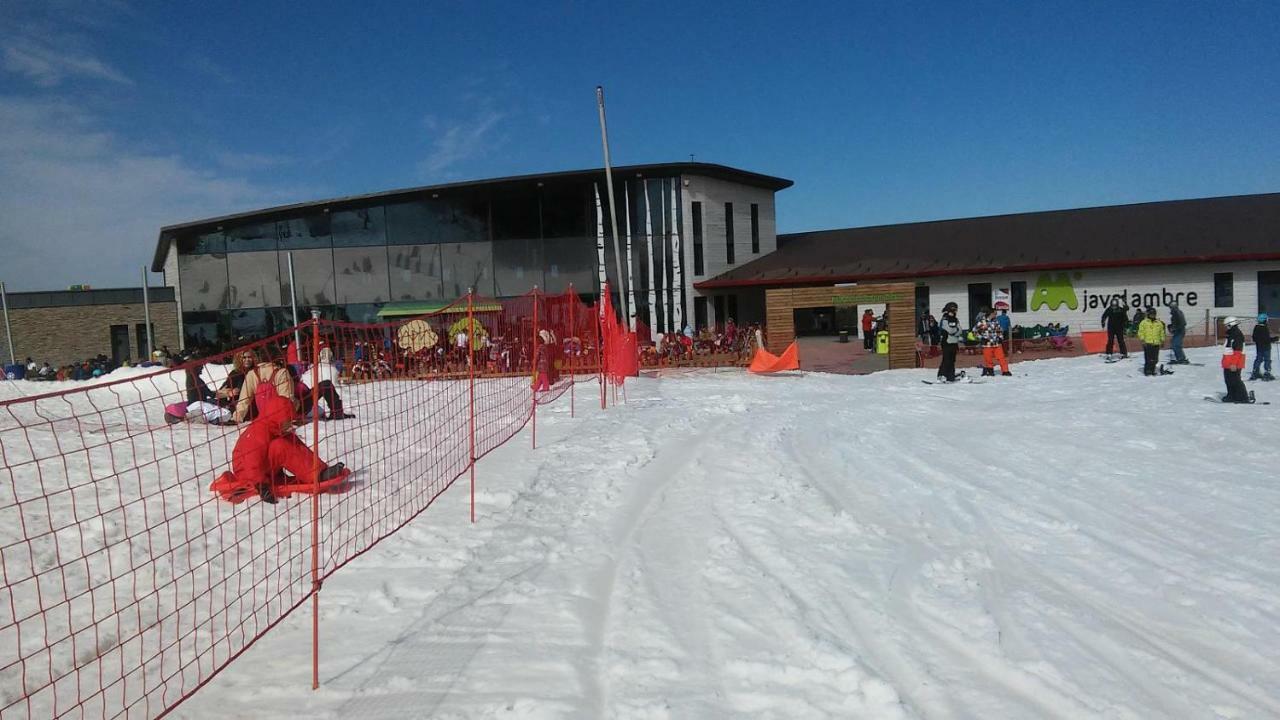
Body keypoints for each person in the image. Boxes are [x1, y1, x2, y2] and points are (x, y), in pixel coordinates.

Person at [215, 394, 346, 504]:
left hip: (266, 470)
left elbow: (297, 450)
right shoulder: (258, 432)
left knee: (288, 439)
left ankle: (318, 471)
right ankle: (317, 475)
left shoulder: (273, 428)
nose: (289, 424)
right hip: (249, 474)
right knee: (280, 446)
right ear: (276, 419)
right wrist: (261, 486)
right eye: (286, 421)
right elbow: (251, 462)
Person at [233, 356, 297, 423]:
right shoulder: (282, 372)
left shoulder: (251, 374)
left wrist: (238, 416)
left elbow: (244, 400)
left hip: (262, 414)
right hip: (280, 416)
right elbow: (286, 397)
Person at [1221, 316, 1250, 403]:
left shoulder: (1236, 335)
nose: (1226, 327)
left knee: (1235, 380)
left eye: (1227, 325)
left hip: (1234, 363)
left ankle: (1242, 397)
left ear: (1231, 325)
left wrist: (1233, 363)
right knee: (1228, 380)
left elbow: (1237, 351)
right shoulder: (1231, 334)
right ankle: (1231, 395)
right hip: (1228, 362)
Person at [975, 310, 1012, 376]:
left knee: (1001, 358)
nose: (996, 315)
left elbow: (999, 330)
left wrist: (1000, 337)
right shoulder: (982, 322)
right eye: (995, 314)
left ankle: (1005, 371)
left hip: (997, 343)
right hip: (987, 344)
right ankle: (990, 371)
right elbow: (975, 332)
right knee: (988, 359)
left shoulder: (996, 321)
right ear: (990, 314)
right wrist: (981, 338)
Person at [937, 302, 963, 382]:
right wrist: (955, 331)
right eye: (953, 310)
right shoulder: (945, 319)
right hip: (946, 342)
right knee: (946, 360)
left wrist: (955, 331)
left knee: (952, 360)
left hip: (954, 343)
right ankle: (942, 375)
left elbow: (960, 330)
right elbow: (950, 330)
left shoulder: (956, 319)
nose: (955, 312)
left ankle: (950, 376)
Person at [1137, 307, 1167, 376]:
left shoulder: (1159, 323)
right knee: (1148, 358)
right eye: (1151, 314)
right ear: (1148, 314)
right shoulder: (1144, 322)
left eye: (1154, 314)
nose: (1152, 315)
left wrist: (1162, 340)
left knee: (1155, 359)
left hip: (1156, 343)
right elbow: (1140, 332)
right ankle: (1147, 370)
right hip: (1147, 343)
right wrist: (1142, 339)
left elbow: (1161, 332)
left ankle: (1153, 369)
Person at [164, 400, 233, 426]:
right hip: (221, 412)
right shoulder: (193, 406)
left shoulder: (194, 409)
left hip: (224, 414)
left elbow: (204, 418)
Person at [1251, 313, 1275, 381]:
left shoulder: (1256, 327)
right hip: (1266, 347)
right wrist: (1274, 339)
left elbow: (1254, 338)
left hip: (1259, 347)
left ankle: (1255, 371)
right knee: (1267, 359)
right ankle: (1267, 372)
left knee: (1258, 359)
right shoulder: (1264, 328)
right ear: (1264, 320)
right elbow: (1266, 339)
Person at [1168, 300, 1189, 364]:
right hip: (1177, 331)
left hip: (1180, 331)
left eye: (1172, 306)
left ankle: (1181, 358)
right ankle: (1179, 358)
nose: (1171, 308)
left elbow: (1183, 323)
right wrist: (1171, 326)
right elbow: (1176, 323)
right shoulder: (1175, 313)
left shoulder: (1177, 313)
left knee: (1176, 345)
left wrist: (1174, 328)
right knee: (1174, 345)